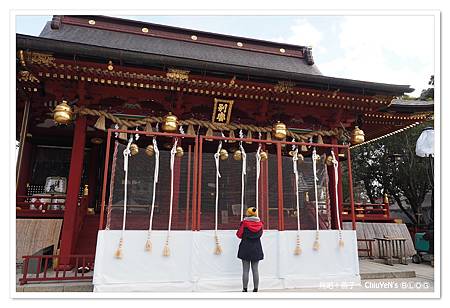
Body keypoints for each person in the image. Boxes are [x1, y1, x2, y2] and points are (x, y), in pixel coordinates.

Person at [236, 207, 264, 292]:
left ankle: (245, 289)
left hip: (245, 248)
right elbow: (261, 234)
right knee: (255, 270)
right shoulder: (260, 224)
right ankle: (256, 289)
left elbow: (239, 235)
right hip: (256, 248)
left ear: (248, 213)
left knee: (245, 270)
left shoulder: (244, 223)